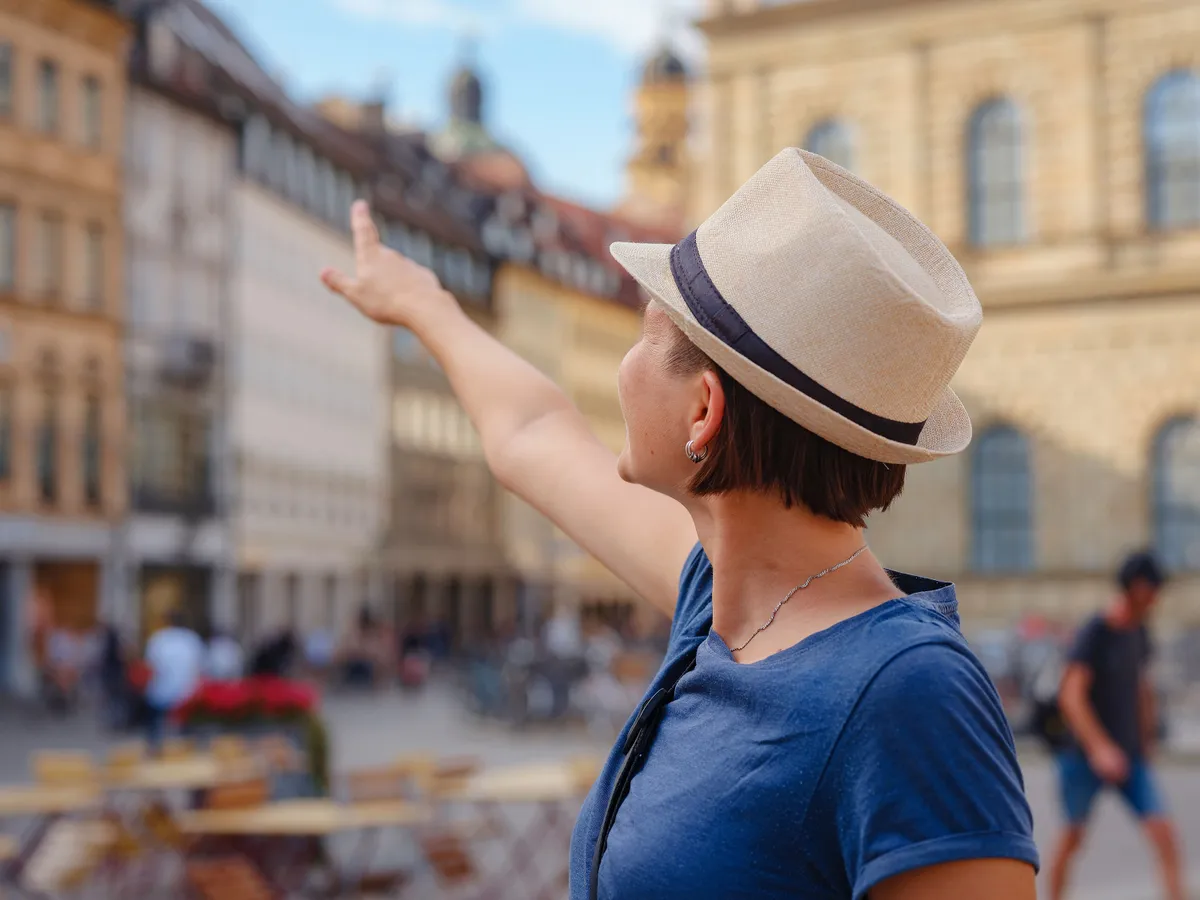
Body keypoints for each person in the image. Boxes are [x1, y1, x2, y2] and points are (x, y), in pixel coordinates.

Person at [322, 149, 1037, 899]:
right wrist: (424, 304)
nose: (625, 366)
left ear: (703, 409)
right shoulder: (722, 599)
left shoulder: (910, 694)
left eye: (643, 335)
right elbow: (532, 434)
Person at [1049, 551, 1185, 900]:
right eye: (1154, 591)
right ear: (1139, 588)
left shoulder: (1139, 631)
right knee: (1072, 838)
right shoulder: (1096, 631)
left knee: (1163, 832)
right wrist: (1100, 748)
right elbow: (1071, 696)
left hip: (1131, 754)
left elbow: (1142, 687)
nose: (1156, 599)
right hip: (1082, 757)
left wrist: (1147, 738)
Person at [143, 609, 205, 751]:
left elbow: (151, 666)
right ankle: (185, 749)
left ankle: (155, 746)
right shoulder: (192, 639)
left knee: (155, 727)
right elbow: (200, 667)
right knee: (184, 730)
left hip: (163, 691)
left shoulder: (159, 639)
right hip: (187, 692)